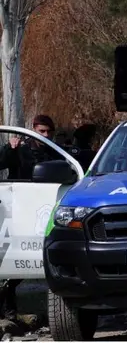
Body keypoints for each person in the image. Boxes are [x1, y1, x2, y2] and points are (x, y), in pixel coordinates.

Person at [0, 115, 63, 322]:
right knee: (14, 260)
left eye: (49, 132)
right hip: (20, 210)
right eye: (41, 131)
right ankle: (8, 311)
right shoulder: (20, 149)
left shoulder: (54, 151)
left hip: (46, 210)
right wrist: (9, 149)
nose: (46, 135)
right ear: (33, 129)